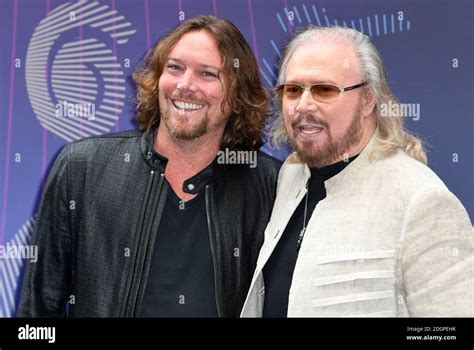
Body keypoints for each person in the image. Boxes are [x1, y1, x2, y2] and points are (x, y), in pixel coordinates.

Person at [18, 15, 280, 318]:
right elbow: (35, 316)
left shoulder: (270, 184)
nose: (184, 85)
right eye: (175, 67)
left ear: (236, 97)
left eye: (208, 74)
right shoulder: (82, 168)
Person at [241, 25, 473, 317]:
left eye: (324, 90)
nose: (303, 105)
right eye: (293, 90)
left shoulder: (421, 200)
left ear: (367, 100)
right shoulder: (291, 174)